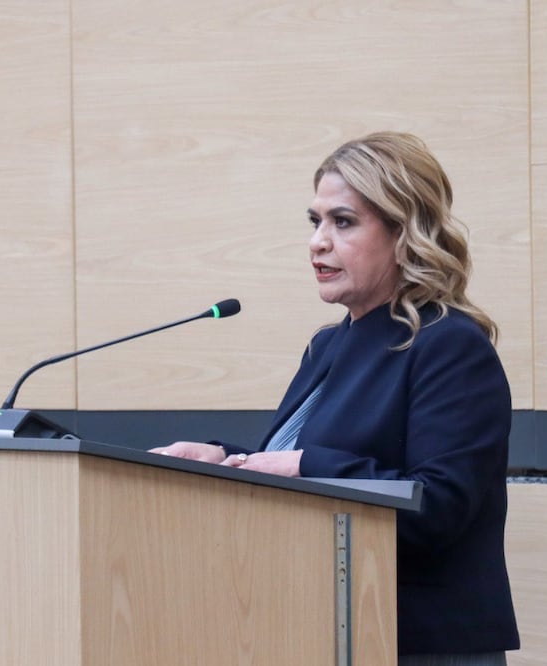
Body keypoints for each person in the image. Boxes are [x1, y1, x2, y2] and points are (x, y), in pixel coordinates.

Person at [151, 131, 519, 664]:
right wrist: (221, 457)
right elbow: (316, 464)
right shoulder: (330, 343)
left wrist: (304, 466)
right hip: (321, 630)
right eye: (315, 221)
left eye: (343, 222)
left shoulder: (448, 345)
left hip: (415, 643)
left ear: (404, 231)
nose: (317, 241)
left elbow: (437, 506)